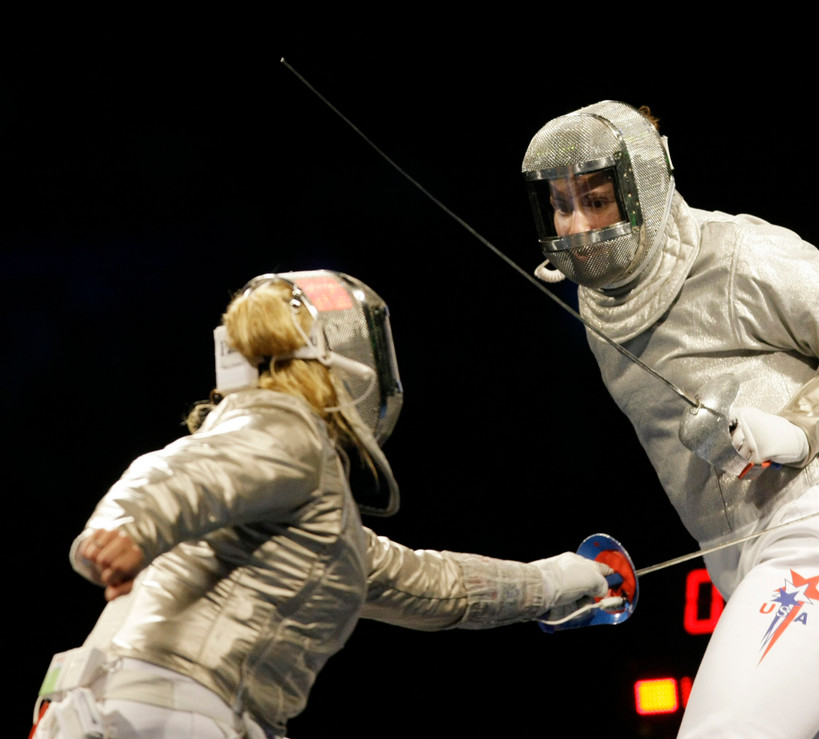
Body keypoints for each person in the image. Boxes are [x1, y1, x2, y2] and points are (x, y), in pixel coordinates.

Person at [30, 269, 612, 739]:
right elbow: (182, 475)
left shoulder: (303, 505)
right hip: (174, 714)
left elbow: (435, 586)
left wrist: (560, 581)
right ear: (339, 357)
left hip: (106, 711)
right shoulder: (287, 432)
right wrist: (130, 526)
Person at [521, 101, 819, 738]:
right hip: (741, 566)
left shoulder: (734, 254)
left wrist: (798, 426)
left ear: (642, 189)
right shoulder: (600, 312)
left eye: (596, 200)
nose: (578, 226)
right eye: (561, 206)